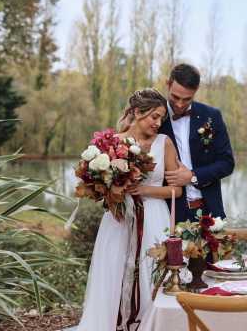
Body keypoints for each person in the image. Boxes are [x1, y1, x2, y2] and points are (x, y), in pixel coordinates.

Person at [77, 89, 183, 331]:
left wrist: (144, 191)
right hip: (119, 220)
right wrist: (110, 194)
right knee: (113, 272)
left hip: (154, 218)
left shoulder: (164, 144)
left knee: (150, 272)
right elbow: (98, 187)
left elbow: (176, 192)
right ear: (137, 112)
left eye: (161, 119)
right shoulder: (113, 142)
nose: (158, 123)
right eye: (154, 117)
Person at [160, 63, 235, 222]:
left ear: (196, 90)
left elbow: (227, 163)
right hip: (167, 214)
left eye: (187, 99)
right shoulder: (154, 118)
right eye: (175, 97)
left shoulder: (211, 116)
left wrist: (192, 176)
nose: (180, 104)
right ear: (168, 84)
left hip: (208, 213)